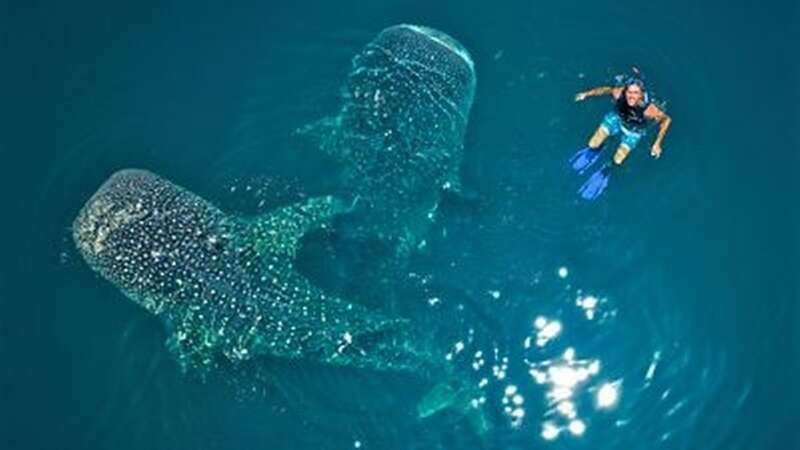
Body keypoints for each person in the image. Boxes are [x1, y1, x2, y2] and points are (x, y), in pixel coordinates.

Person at [570, 68, 672, 199]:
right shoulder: (619, 94)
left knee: (618, 160)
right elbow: (605, 90)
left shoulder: (649, 110)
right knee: (592, 144)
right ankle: (600, 148)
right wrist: (586, 94)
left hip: (634, 131)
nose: (631, 96)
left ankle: (607, 167)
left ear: (641, 95)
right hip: (617, 119)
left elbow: (667, 120)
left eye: (635, 93)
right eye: (629, 92)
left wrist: (657, 143)